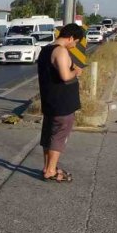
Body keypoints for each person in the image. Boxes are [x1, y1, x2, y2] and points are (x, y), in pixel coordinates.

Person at [37, 23, 84, 182]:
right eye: (75, 42)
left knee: (49, 135)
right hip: (62, 103)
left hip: (49, 100)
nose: (74, 45)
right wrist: (76, 71)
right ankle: (51, 171)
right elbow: (65, 76)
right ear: (70, 38)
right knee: (59, 136)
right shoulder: (61, 51)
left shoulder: (46, 50)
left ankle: (46, 167)